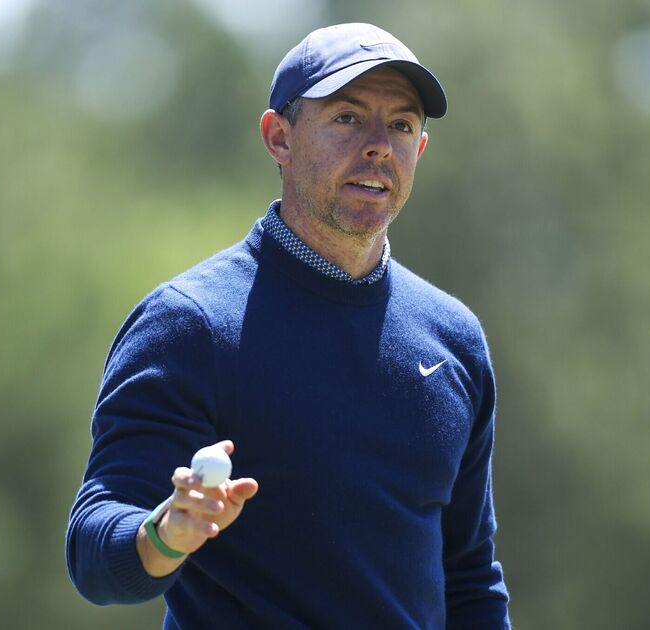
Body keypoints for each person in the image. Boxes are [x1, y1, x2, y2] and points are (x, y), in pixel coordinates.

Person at [66, 22, 510, 628]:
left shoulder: (453, 339)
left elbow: (470, 577)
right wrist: (167, 533)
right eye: (348, 118)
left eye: (402, 125)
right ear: (279, 137)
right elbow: (93, 550)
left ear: (420, 149)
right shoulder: (190, 324)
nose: (380, 146)